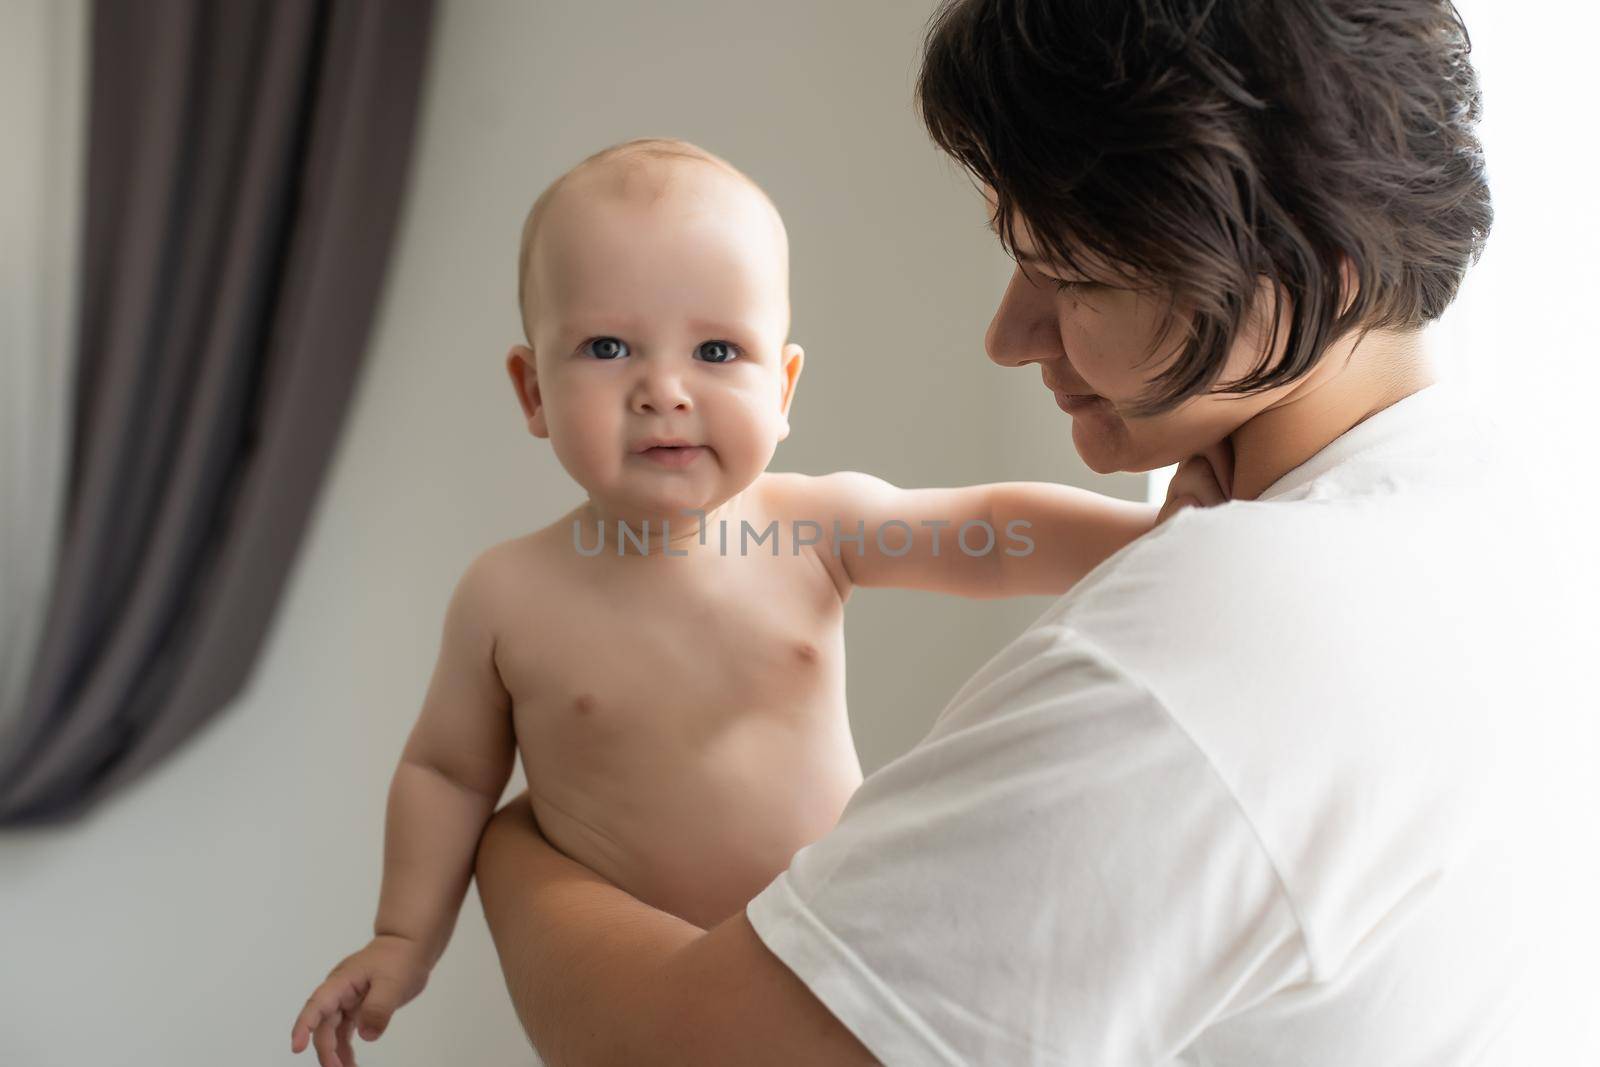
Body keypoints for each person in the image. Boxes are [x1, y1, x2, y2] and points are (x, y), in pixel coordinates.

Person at [463, 2, 1594, 1065]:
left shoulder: (1225, 641)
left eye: (1072, 276)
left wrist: (515, 837)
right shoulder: (1502, 509)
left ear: (1304, 279)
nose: (1008, 333)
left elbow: (688, 1047)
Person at [287, 136, 1229, 1066]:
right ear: (534, 390)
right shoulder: (507, 594)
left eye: (716, 348)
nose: (664, 389)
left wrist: (1154, 537)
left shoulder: (812, 527)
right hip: (634, 987)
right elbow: (447, 773)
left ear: (782, 388)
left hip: (836, 961)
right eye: (607, 347)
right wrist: (402, 939)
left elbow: (986, 532)